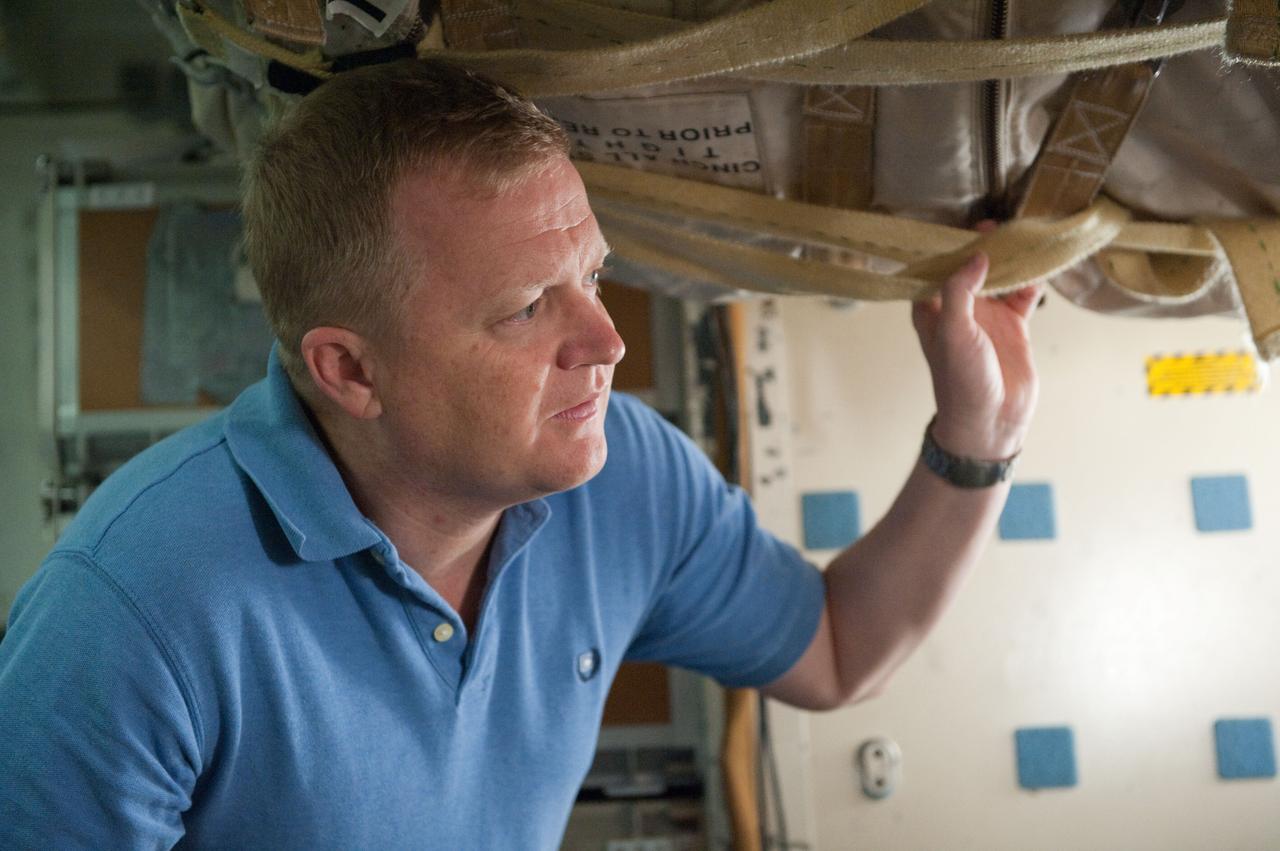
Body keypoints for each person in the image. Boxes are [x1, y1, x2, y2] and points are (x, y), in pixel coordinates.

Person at [0, 59, 1039, 848]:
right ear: (350, 372)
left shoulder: (619, 468)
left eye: (590, 273)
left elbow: (837, 647)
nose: (606, 340)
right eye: (524, 310)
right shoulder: (133, 608)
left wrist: (978, 433)